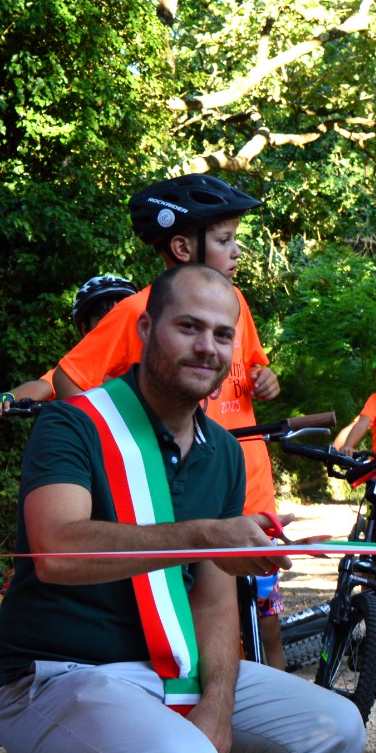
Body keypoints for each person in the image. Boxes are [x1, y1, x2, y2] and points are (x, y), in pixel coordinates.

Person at [0, 263, 365, 753]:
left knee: (335, 733)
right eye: (188, 326)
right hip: (53, 679)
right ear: (143, 328)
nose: (207, 347)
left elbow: (216, 596)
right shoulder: (73, 425)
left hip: (168, 674)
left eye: (224, 334)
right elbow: (56, 551)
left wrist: (217, 705)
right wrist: (201, 533)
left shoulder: (221, 450)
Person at [48, 175, 294, 687]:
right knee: (188, 608)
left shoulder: (237, 303)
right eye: (225, 240)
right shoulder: (140, 309)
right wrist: (120, 446)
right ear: (182, 247)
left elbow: (250, 367)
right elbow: (73, 376)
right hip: (180, 495)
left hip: (246, 482)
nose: (237, 250)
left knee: (259, 612)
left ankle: (251, 701)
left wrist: (265, 377)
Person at [0, 275, 137, 413]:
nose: (117, 328)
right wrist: (10, 397)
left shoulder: (146, 354)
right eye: (107, 322)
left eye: (124, 319)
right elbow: (43, 386)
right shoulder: (79, 368)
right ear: (86, 329)